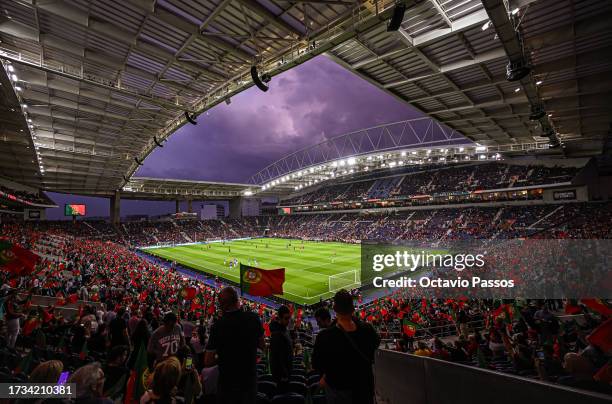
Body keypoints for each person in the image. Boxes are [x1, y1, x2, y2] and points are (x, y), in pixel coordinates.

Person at [313, 290, 379, 404]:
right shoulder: (368, 330)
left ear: (334, 308)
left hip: (339, 392)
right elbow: (375, 343)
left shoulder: (324, 337)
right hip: (364, 390)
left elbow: (317, 364)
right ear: (352, 308)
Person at [204, 287, 264, 404]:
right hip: (249, 382)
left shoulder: (217, 326)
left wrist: (222, 358)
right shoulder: (253, 318)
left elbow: (208, 361)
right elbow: (262, 346)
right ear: (238, 301)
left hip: (227, 384)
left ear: (222, 305)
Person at [269, 305, 293, 387]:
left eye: (289, 318)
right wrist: (283, 376)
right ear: (279, 318)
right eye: (286, 318)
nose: (288, 321)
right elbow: (276, 358)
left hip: (286, 373)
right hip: (281, 377)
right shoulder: (276, 335)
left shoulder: (283, 329)